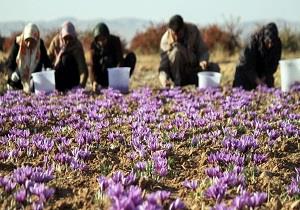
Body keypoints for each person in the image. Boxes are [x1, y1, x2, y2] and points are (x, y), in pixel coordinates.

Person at [159, 14, 219, 87]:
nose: (176, 36)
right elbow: (163, 67)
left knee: (214, 68)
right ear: (170, 30)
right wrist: (165, 80)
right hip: (177, 75)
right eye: (174, 34)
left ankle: (203, 87)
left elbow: (203, 50)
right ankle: (178, 86)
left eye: (179, 33)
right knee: (176, 52)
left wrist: (203, 60)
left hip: (193, 70)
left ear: (183, 28)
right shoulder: (165, 40)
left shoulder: (193, 30)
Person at [233, 23, 282, 90]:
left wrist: (264, 77)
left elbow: (274, 64)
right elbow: (246, 64)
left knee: (269, 86)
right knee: (242, 87)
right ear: (264, 38)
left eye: (272, 43)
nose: (270, 45)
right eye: (268, 42)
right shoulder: (252, 42)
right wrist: (257, 81)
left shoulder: (277, 44)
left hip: (263, 73)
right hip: (246, 72)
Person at [6, 23, 52, 93]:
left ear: (36, 38)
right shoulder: (18, 43)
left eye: (32, 41)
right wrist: (12, 74)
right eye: (27, 40)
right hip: (19, 79)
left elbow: (46, 61)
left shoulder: (40, 45)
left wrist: (48, 68)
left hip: (34, 80)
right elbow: (9, 64)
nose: (28, 44)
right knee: (14, 85)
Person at [90, 23, 136, 90]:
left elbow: (120, 59)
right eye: (99, 40)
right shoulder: (93, 46)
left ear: (107, 37)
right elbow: (92, 66)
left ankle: (120, 84)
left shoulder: (115, 41)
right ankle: (103, 85)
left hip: (115, 71)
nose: (101, 43)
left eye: (103, 39)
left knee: (131, 57)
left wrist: (117, 76)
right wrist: (94, 81)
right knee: (105, 60)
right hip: (102, 75)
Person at [48, 21, 88, 91]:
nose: (68, 41)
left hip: (72, 76)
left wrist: (81, 86)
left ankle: (69, 88)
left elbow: (82, 69)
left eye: (70, 38)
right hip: (58, 73)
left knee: (66, 58)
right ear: (62, 35)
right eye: (66, 38)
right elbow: (48, 60)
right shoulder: (56, 41)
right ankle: (58, 87)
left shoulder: (77, 45)